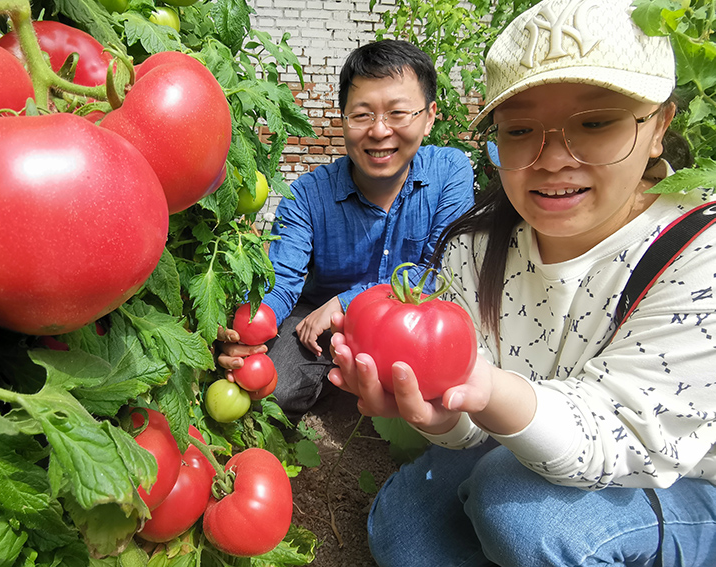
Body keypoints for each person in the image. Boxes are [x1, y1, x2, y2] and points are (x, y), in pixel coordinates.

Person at [327, 0, 716, 565]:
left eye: (596, 122)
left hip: (671, 478)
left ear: (659, 127)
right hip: (517, 451)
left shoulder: (696, 250)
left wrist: (487, 390)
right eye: (520, 129)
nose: (553, 158)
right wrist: (445, 409)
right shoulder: (476, 246)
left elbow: (623, 439)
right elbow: (466, 418)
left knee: (526, 514)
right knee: (406, 528)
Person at [218, 39, 475, 416]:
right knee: (277, 388)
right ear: (343, 119)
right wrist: (251, 330)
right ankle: (336, 370)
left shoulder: (450, 171)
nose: (379, 130)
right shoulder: (307, 194)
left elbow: (440, 272)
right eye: (362, 115)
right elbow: (282, 279)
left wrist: (345, 300)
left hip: (413, 321)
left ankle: (358, 374)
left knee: (439, 385)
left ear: (429, 116)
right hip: (321, 321)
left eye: (399, 113)